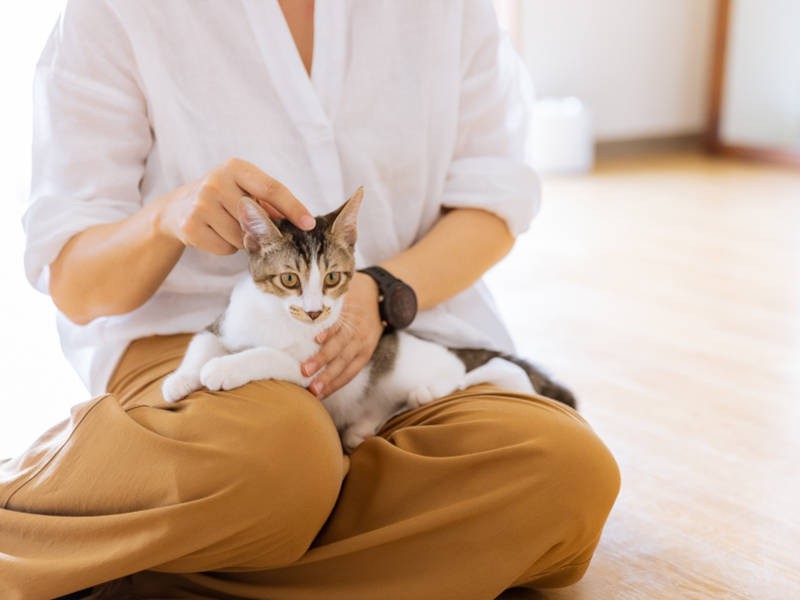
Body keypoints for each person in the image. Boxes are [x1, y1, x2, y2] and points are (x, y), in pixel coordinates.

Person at [0, 1, 620, 598]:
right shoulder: (115, 10)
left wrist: (378, 292)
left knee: (567, 475)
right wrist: (167, 216)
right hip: (205, 353)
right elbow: (77, 287)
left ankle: (151, 557)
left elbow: (492, 203)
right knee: (280, 454)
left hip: (402, 349)